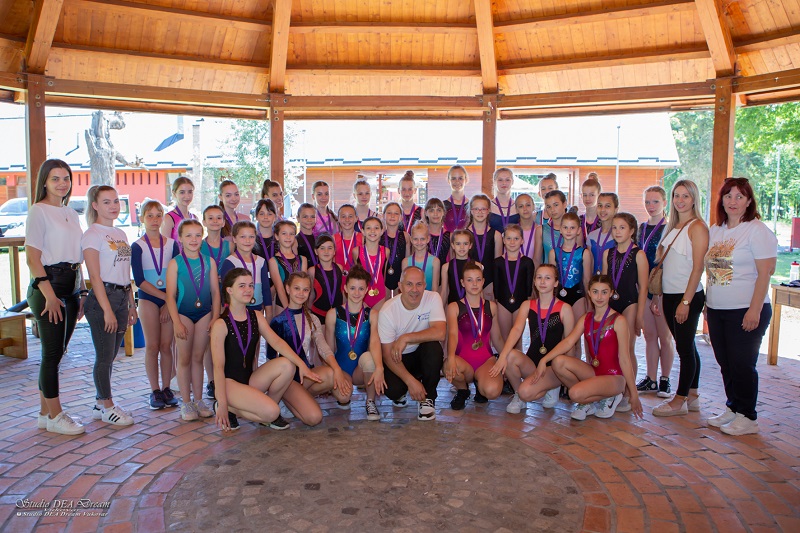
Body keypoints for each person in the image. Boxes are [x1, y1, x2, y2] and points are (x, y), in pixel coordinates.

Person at [704, 177, 777, 436]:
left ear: (748, 201)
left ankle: (748, 416)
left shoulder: (757, 231)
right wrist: (708, 305)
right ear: (721, 200)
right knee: (725, 362)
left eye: (739, 196)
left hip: (746, 309)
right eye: (728, 196)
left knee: (742, 364)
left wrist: (754, 310)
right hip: (717, 309)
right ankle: (733, 407)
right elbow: (712, 271)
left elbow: (766, 272)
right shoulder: (716, 230)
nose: (732, 201)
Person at [210, 268, 319, 431]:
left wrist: (301, 365)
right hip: (228, 384)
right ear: (229, 290)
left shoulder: (256, 316)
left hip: (250, 379)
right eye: (242, 286)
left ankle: (265, 410)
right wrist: (223, 402)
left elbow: (277, 342)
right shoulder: (220, 324)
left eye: (251, 285)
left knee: (287, 365)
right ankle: (227, 406)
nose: (248, 289)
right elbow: (218, 367)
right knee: (273, 412)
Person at [26, 159, 86, 435]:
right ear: (45, 182)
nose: (62, 183)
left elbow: (77, 257)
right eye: (55, 178)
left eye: (66, 178)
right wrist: (50, 297)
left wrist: (81, 290)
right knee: (51, 355)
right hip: (48, 288)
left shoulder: (71, 213)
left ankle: (45, 413)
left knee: (58, 354)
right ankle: (56, 415)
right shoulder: (38, 211)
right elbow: (32, 258)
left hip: (71, 287)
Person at [536, 275, 643, 421]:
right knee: (558, 362)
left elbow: (625, 359)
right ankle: (588, 401)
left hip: (614, 377)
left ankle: (610, 396)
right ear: (589, 293)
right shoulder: (586, 318)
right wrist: (544, 360)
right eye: (595, 292)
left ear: (611, 293)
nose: (599, 297)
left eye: (604, 292)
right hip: (594, 371)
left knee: (574, 394)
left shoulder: (619, 320)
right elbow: (568, 342)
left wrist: (634, 394)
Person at [650, 180, 707, 416]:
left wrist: (686, 302)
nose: (680, 200)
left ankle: (679, 400)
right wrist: (658, 296)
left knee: (684, 349)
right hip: (670, 295)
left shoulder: (698, 227)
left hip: (687, 296)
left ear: (694, 199)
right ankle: (692, 395)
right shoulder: (672, 226)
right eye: (676, 195)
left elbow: (698, 268)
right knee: (688, 346)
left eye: (686, 196)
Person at [82, 185, 138, 427]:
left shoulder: (121, 233)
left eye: (116, 201)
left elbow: (125, 272)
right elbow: (94, 277)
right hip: (102, 299)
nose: (113, 206)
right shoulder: (92, 234)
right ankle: (107, 406)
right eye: (106, 202)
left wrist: (132, 304)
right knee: (104, 357)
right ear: (95, 206)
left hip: (122, 296)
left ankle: (99, 403)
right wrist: (106, 310)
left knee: (111, 355)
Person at [268, 272, 352, 422]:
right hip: (287, 380)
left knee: (339, 384)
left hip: (305, 374)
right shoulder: (277, 321)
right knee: (314, 418)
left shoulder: (312, 319)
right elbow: (271, 359)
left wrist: (337, 370)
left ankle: (299, 399)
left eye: (305, 290)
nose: (301, 293)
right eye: (297, 288)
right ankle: (286, 399)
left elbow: (323, 347)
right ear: (288, 289)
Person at [492, 264, 575, 413]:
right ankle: (519, 395)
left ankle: (552, 386)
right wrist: (502, 356)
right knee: (509, 355)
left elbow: (570, 344)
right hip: (532, 363)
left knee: (527, 391)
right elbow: (516, 330)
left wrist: (566, 374)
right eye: (539, 277)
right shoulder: (527, 305)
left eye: (547, 278)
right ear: (535, 282)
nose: (543, 281)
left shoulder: (565, 308)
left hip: (554, 367)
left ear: (556, 283)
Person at [166, 219, 221, 421]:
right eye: (188, 235)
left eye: (198, 235)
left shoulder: (209, 261)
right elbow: (170, 296)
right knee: (184, 359)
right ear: (180, 238)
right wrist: (176, 322)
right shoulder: (175, 263)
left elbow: (215, 292)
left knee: (198, 358)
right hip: (183, 314)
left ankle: (198, 400)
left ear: (202, 237)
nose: (193, 239)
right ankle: (186, 402)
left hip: (204, 314)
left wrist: (215, 317)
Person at [378, 267, 447, 421]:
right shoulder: (387, 311)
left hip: (422, 354)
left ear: (425, 285)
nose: (414, 290)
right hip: (398, 357)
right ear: (400, 286)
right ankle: (405, 389)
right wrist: (410, 382)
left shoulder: (433, 298)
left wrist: (406, 338)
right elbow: (387, 355)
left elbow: (440, 333)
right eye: (409, 284)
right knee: (393, 390)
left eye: (419, 284)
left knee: (434, 348)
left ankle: (428, 398)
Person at [131, 200, 181, 410]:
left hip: (168, 298)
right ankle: (155, 390)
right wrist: (165, 299)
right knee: (152, 346)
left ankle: (167, 387)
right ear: (142, 218)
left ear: (163, 218)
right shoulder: (138, 246)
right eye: (149, 216)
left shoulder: (172, 244)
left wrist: (169, 302)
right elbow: (139, 280)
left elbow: (178, 275)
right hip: (148, 298)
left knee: (166, 345)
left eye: (158, 215)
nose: (154, 220)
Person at [325, 266, 386, 421]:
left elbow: (375, 342)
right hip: (341, 369)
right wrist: (332, 374)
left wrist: (379, 367)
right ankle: (343, 393)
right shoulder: (333, 314)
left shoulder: (372, 314)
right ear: (345, 288)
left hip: (361, 370)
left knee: (369, 358)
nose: (356, 293)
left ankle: (370, 401)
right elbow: (329, 349)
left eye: (361, 289)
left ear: (366, 290)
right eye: (352, 288)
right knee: (344, 397)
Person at [601, 212, 649, 411]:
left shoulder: (639, 254)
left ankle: (629, 392)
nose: (617, 231)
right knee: (611, 348)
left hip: (630, 303)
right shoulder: (608, 253)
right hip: (611, 304)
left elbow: (643, 288)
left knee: (627, 349)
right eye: (614, 227)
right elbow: (604, 284)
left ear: (631, 231)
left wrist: (639, 315)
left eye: (622, 227)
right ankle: (614, 388)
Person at [446, 261, 505, 409]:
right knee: (448, 365)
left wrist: (505, 357)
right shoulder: (454, 307)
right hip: (463, 361)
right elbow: (452, 335)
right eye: (469, 280)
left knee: (492, 391)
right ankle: (463, 390)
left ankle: (481, 384)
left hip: (485, 360)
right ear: (462, 283)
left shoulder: (492, 306)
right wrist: (451, 357)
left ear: (483, 281)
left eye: (478, 279)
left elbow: (497, 337)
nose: (474, 284)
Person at [637, 186, 672, 397]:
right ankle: (651, 379)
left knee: (664, 336)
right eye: (647, 202)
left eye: (655, 202)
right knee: (649, 335)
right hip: (644, 289)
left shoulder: (669, 229)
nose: (651, 206)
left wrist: (659, 295)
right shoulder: (641, 228)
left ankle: (665, 379)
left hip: (662, 290)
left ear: (665, 203)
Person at [219, 221, 272, 318]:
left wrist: (269, 314)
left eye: (251, 237)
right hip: (236, 311)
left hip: (258, 309)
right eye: (243, 237)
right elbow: (225, 293)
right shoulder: (230, 262)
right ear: (234, 239)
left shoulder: (261, 261)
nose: (247, 240)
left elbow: (266, 290)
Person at [494, 224, 534, 348]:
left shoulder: (527, 262)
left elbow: (529, 287)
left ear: (522, 241)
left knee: (517, 338)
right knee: (505, 337)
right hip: (502, 304)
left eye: (516, 239)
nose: (512, 242)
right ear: (503, 240)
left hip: (521, 304)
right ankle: (505, 360)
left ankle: (517, 359)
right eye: (509, 238)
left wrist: (528, 303)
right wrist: (496, 301)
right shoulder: (498, 262)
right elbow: (496, 286)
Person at [467, 194, 502, 300]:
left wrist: (495, 285)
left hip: (489, 282)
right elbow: (460, 261)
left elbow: (498, 264)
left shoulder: (496, 235)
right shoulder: (464, 234)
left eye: (483, 209)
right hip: (469, 280)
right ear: (471, 211)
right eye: (476, 209)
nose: (480, 212)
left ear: (488, 211)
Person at [269, 220, 307, 311]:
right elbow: (279, 288)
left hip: (299, 303)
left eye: (291, 234)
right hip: (282, 305)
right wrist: (288, 310)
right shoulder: (273, 261)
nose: (288, 237)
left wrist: (303, 307)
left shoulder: (302, 259)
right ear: (277, 236)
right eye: (284, 233)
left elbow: (305, 285)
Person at [308, 234, 344, 324]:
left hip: (337, 313)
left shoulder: (340, 268)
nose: (326, 251)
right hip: (318, 313)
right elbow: (311, 293)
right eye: (322, 248)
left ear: (334, 251)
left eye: (330, 248)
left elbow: (342, 291)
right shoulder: (312, 271)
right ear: (316, 251)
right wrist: (308, 311)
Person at [355, 216, 388, 311]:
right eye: (368, 228)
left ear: (382, 231)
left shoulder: (386, 251)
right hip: (362, 294)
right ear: (363, 231)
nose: (372, 231)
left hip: (380, 294)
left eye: (376, 228)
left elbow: (383, 274)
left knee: (377, 319)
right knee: (363, 320)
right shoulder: (356, 251)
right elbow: (356, 274)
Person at [382, 202, 410, 297]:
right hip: (383, 277)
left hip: (400, 276)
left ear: (401, 217)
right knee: (385, 303)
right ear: (383, 216)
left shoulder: (405, 236)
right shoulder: (379, 236)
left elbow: (407, 259)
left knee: (399, 303)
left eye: (396, 213)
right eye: (389, 213)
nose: (392, 216)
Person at [587, 192, 619, 274]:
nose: (603, 210)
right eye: (600, 205)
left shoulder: (619, 236)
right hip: (595, 280)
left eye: (607, 206)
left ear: (616, 209)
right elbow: (589, 265)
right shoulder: (592, 235)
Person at [403, 222, 440, 292]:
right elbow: (404, 287)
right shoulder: (406, 262)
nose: (419, 242)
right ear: (411, 239)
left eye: (422, 239)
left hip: (429, 298)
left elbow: (435, 288)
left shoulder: (435, 261)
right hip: (411, 297)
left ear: (428, 239)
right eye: (415, 239)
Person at [440, 229, 474, 305]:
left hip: (471, 307)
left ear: (470, 245)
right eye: (458, 244)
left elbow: (479, 292)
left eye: (465, 244)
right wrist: (440, 309)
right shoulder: (446, 267)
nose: (462, 247)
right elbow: (444, 292)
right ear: (453, 245)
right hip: (452, 306)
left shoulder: (477, 266)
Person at [535, 190, 568, 267]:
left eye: (556, 205)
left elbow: (580, 257)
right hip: (547, 273)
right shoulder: (541, 230)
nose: (552, 210)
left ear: (565, 204)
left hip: (569, 273)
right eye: (548, 207)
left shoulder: (574, 229)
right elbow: (537, 259)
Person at [200, 205, 232, 279]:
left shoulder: (230, 245)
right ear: (204, 222)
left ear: (223, 223)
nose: (215, 221)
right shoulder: (198, 246)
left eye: (219, 218)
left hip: (225, 284)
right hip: (204, 284)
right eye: (210, 218)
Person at [162, 176, 196, 241]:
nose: (187, 196)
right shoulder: (168, 218)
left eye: (190, 192)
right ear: (174, 193)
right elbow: (165, 245)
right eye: (182, 192)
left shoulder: (195, 218)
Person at [334, 204, 362, 278]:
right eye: (343, 216)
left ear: (356, 218)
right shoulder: (332, 239)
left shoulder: (363, 238)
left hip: (357, 279)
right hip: (338, 278)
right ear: (338, 218)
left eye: (350, 216)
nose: (347, 219)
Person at [489, 167, 519, 233]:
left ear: (512, 182)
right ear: (494, 182)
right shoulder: (488, 206)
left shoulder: (518, 206)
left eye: (507, 180)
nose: (504, 183)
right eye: (500, 180)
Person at [424, 198, 451, 268]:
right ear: (426, 213)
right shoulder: (422, 234)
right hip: (424, 271)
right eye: (432, 210)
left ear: (443, 212)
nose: (435, 214)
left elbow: (452, 261)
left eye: (439, 210)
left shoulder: (450, 236)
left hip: (444, 272)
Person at [443, 165, 469, 232]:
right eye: (453, 178)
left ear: (466, 180)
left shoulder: (472, 205)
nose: (457, 182)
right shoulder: (442, 206)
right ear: (448, 180)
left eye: (460, 178)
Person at [579, 174, 602, 243]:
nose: (587, 198)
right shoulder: (578, 221)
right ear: (581, 196)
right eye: (585, 195)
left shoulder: (604, 221)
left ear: (599, 195)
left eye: (592, 195)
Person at [515, 193, 537, 262]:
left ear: (533, 206)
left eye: (528, 205)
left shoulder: (540, 230)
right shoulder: (511, 231)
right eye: (521, 206)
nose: (525, 209)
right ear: (516, 210)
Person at [296, 203, 319, 267]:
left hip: (319, 272)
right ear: (298, 218)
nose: (309, 220)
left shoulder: (319, 239)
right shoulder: (294, 241)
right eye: (305, 217)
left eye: (312, 217)